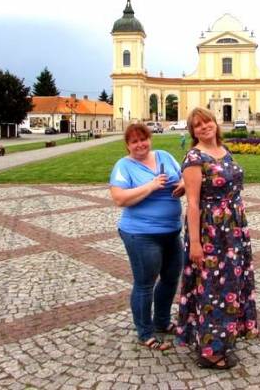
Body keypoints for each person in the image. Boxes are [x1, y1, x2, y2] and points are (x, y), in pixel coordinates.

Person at [176, 107, 258, 369]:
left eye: (207, 121)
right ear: (192, 131)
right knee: (212, 288)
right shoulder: (194, 157)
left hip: (233, 230)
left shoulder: (223, 150)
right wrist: (196, 244)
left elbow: (216, 182)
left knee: (230, 285)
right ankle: (211, 352)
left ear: (215, 123)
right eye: (197, 124)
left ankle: (224, 337)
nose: (204, 126)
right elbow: (192, 203)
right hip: (211, 232)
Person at [110, 123, 184, 351]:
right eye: (134, 141)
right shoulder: (124, 166)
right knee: (145, 284)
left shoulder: (165, 156)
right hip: (141, 234)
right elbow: (120, 198)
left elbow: (182, 178)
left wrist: (182, 185)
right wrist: (151, 186)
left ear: (150, 139)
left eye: (143, 139)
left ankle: (161, 321)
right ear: (127, 145)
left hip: (172, 230)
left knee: (171, 278)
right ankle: (145, 331)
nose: (140, 144)